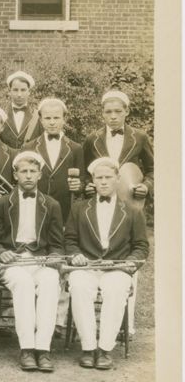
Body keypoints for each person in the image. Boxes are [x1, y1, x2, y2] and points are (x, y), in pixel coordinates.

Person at [64, 157, 149, 370]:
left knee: (117, 288)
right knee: (79, 285)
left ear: (118, 179)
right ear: (92, 180)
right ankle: (88, 348)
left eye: (108, 177)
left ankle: (104, 349)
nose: (103, 182)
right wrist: (75, 255)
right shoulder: (79, 208)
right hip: (87, 267)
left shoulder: (132, 211)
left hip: (117, 267)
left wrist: (129, 263)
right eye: (98, 178)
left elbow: (141, 246)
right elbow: (70, 240)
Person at [0, 150, 65, 372]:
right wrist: (1, 252)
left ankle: (43, 349)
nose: (29, 176)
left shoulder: (52, 204)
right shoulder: (3, 204)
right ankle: (26, 348)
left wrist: (53, 256)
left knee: (51, 281)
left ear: (40, 175)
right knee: (22, 283)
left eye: (33, 171)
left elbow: (57, 243)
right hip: (12, 262)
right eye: (24, 171)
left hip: (40, 260)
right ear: (15, 175)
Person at [82, 90, 154, 207]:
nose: (113, 116)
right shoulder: (92, 140)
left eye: (118, 111)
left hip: (131, 203)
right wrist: (88, 185)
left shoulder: (140, 137)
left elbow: (153, 169)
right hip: (101, 203)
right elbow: (84, 171)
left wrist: (146, 186)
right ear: (102, 113)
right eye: (108, 112)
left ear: (127, 111)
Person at [23, 97, 85, 221]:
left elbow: (83, 180)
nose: (52, 122)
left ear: (64, 119)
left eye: (56, 118)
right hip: (35, 209)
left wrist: (79, 186)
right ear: (41, 120)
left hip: (65, 211)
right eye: (47, 118)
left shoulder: (75, 148)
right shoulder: (29, 147)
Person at [0, 70, 43, 148]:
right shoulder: (0, 115)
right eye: (15, 90)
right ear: (9, 92)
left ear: (29, 92)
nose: (19, 94)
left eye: (23, 90)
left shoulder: (37, 116)